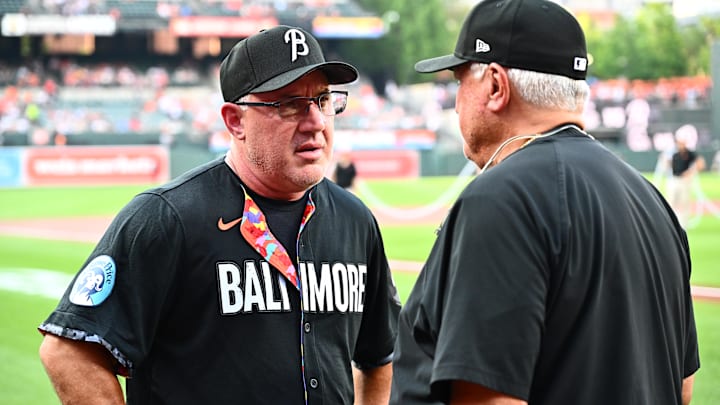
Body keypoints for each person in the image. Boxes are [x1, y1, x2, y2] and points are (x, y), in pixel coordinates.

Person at [38, 25, 401, 405]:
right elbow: (68, 352)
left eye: (323, 100)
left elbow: (379, 356)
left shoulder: (355, 220)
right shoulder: (168, 218)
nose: (315, 122)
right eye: (289, 104)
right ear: (235, 121)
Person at [390, 1, 699, 405]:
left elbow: (490, 399)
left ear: (496, 87)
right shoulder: (650, 200)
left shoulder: (500, 199)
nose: (456, 101)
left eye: (460, 80)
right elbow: (682, 387)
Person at [667, 134, 706, 227]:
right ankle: (670, 223)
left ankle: (683, 225)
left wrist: (690, 172)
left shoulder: (690, 153)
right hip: (674, 179)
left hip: (684, 181)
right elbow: (668, 164)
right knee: (671, 201)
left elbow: (701, 164)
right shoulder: (673, 153)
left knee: (684, 202)